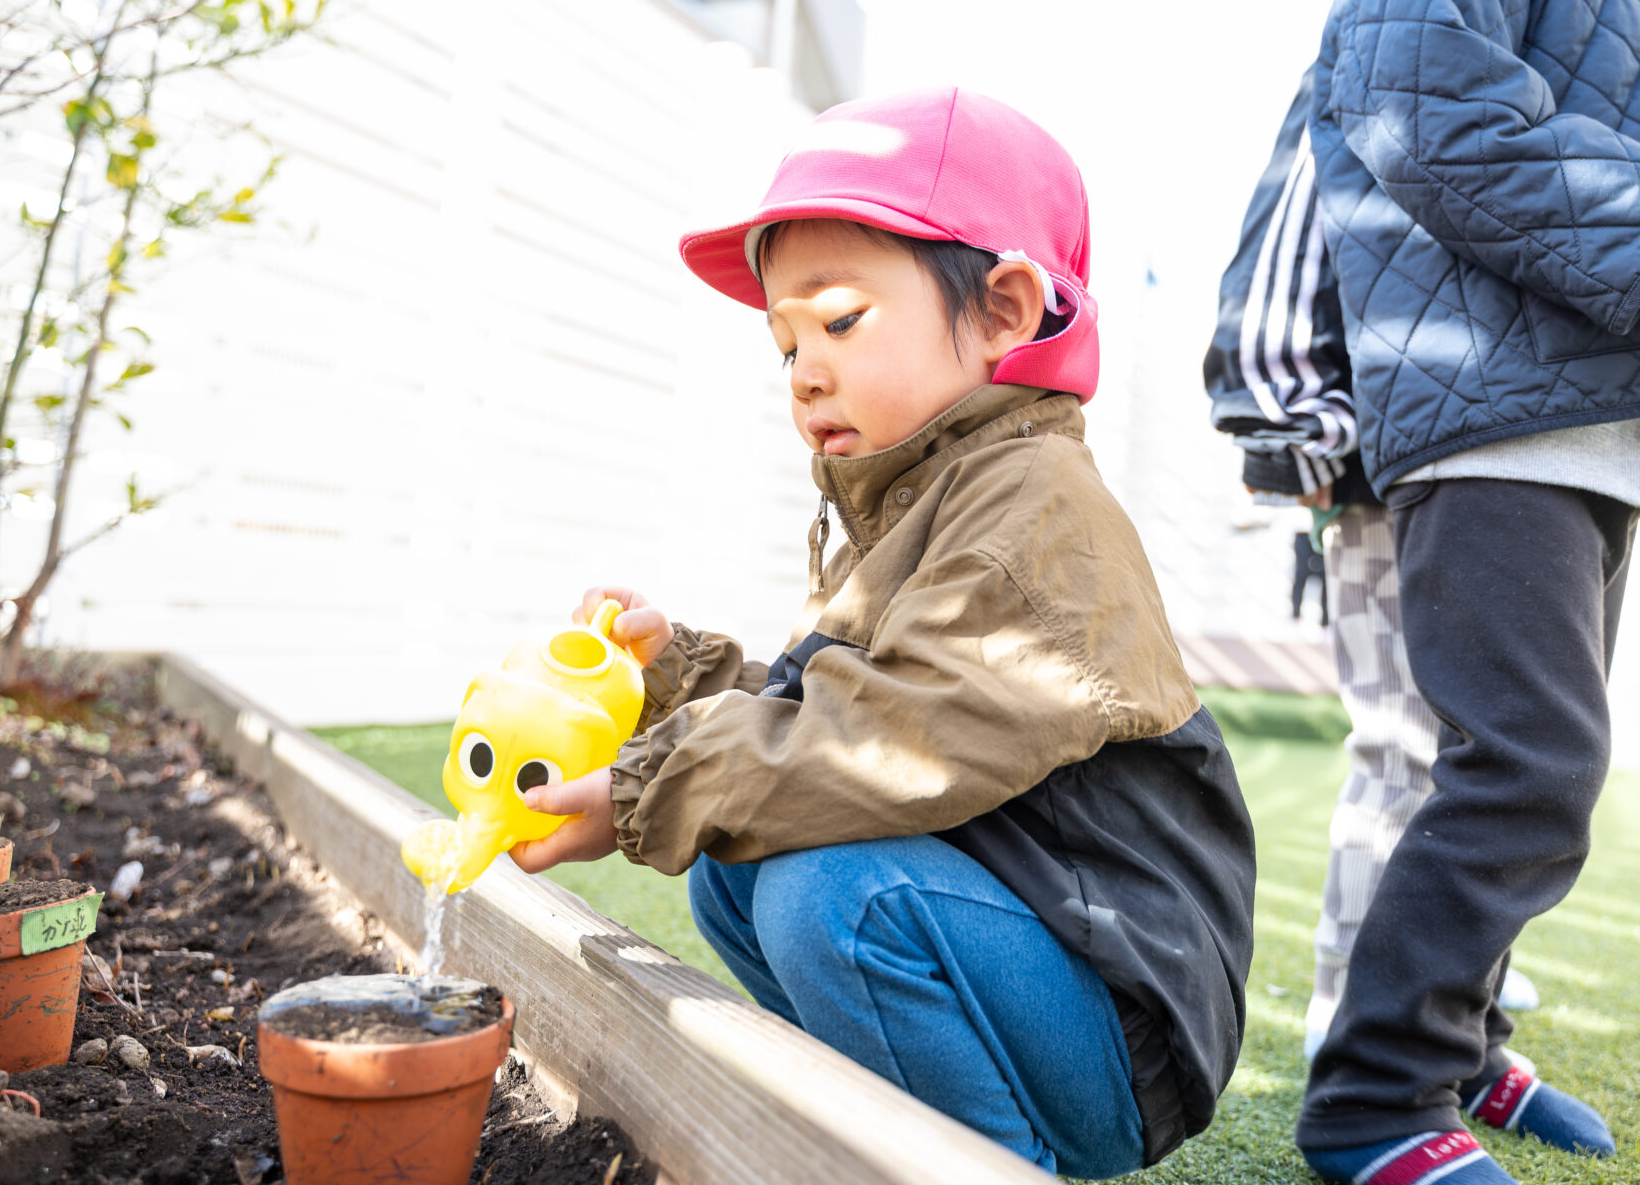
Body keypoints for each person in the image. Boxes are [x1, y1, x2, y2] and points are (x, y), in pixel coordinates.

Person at [503, 88, 1258, 1177]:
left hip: (1117, 1018)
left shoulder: (1036, 507)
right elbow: (825, 712)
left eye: (841, 322)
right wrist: (678, 673)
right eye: (786, 344)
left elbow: (891, 743)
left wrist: (644, 788)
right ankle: (875, 1141)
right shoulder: (913, 496)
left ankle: (989, 1163)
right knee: (739, 868)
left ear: (1003, 309)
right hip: (1025, 951)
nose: (807, 372)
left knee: (828, 893)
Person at [1296, 0, 1640, 1183]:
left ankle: (1464, 1049)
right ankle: (1375, 1097)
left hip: (1583, 431)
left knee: (1525, 765)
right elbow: (1428, 107)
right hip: (1492, 422)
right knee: (1528, 766)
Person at [1204, 73, 1542, 1073]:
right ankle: (1352, 1015)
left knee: (1509, 757)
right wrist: (1293, 425)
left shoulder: (1538, 46)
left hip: (1533, 447)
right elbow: (1290, 226)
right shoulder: (1379, 43)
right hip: (1394, 450)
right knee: (1405, 746)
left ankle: (1456, 993)